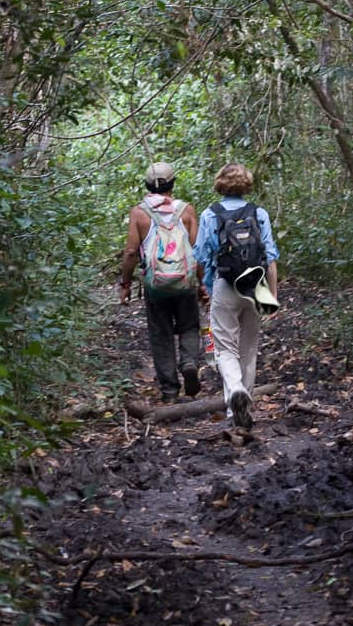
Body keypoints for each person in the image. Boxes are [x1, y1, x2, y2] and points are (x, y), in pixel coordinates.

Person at [194, 163, 279, 431]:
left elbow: (201, 256)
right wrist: (273, 297)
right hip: (256, 287)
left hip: (225, 284)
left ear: (220, 183)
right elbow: (271, 257)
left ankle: (235, 393)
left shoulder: (210, 214)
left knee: (224, 348)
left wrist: (204, 285)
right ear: (246, 184)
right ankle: (243, 407)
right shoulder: (259, 213)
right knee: (248, 350)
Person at [119, 161, 204, 403]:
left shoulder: (139, 212)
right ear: (172, 184)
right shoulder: (187, 210)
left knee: (161, 334)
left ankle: (169, 391)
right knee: (189, 326)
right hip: (185, 282)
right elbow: (197, 251)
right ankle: (188, 362)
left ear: (147, 185)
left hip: (155, 286)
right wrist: (203, 283)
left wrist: (125, 283)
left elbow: (131, 252)